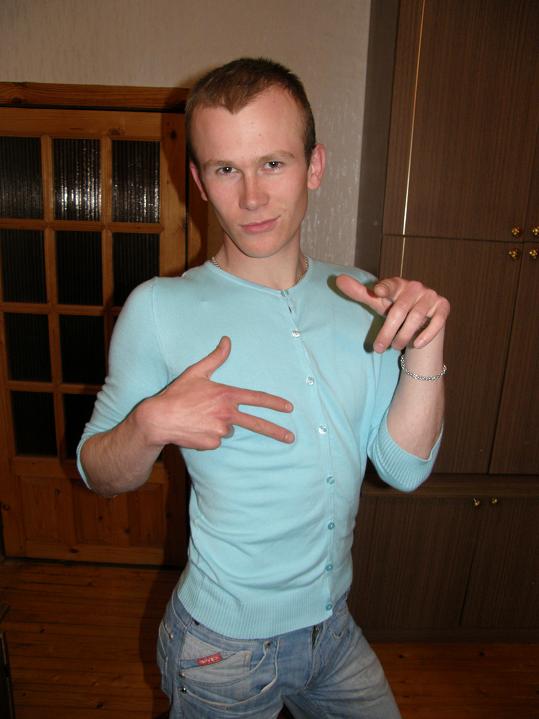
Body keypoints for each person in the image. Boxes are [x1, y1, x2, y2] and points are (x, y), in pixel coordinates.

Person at [77, 57, 449, 719]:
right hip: (223, 650)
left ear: (314, 166)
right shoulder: (158, 308)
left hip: (333, 630)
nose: (250, 197)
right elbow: (97, 471)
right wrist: (148, 424)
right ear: (198, 180)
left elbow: (403, 468)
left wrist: (426, 344)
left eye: (272, 163)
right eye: (226, 169)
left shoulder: (361, 295)